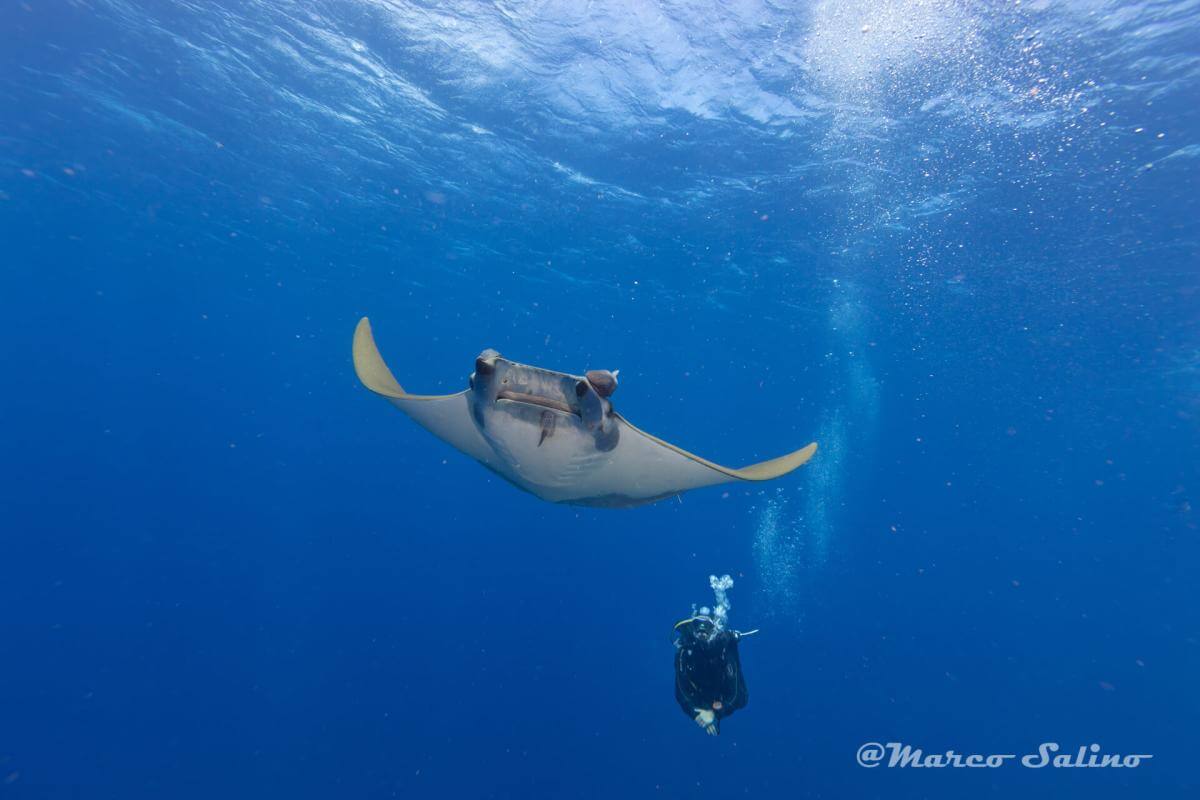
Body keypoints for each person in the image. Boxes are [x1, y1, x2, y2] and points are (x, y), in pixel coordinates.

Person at [673, 615, 754, 735]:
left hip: (724, 697)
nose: (702, 634)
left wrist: (714, 714)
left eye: (708, 628)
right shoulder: (685, 652)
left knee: (742, 699)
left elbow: (736, 695)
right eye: (697, 628)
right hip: (700, 700)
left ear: (714, 630)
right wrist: (697, 715)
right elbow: (681, 692)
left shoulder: (725, 649)